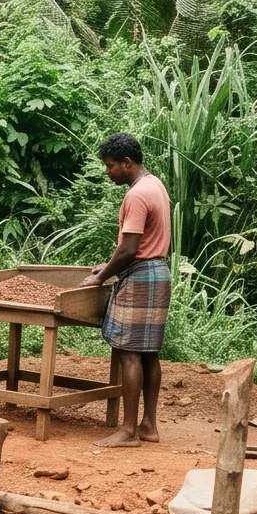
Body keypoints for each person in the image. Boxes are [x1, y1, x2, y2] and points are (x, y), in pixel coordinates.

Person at [87, 132, 173, 447]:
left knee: (128, 352)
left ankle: (128, 431)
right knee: (149, 352)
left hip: (140, 275)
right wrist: (107, 265)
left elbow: (130, 249)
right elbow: (141, 244)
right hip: (158, 272)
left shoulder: (136, 195)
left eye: (110, 166)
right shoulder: (156, 185)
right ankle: (148, 424)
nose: (107, 171)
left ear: (127, 163)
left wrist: (101, 276)